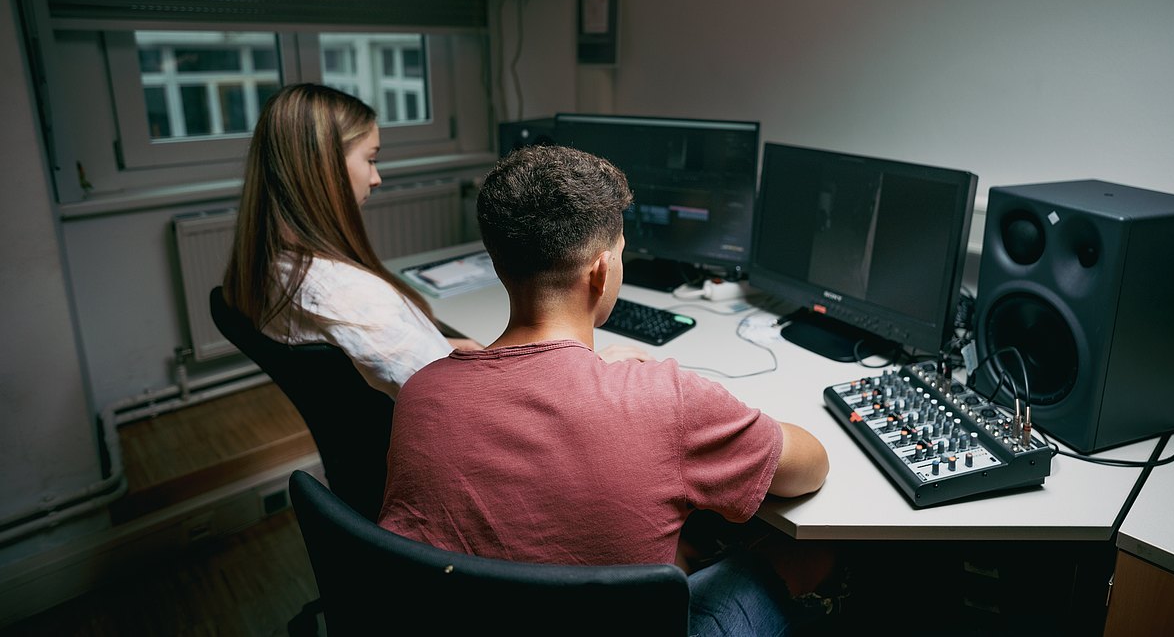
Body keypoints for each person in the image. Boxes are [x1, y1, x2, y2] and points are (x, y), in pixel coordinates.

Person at [379, 144, 843, 634]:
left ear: (498, 263)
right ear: (601, 271)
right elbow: (809, 469)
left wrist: (585, 377)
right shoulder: (664, 399)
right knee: (809, 551)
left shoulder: (420, 393)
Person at [221, 83, 480, 399]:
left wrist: (443, 348)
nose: (376, 178)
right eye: (370, 160)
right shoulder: (346, 294)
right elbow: (450, 397)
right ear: (323, 166)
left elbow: (387, 352)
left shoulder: (274, 265)